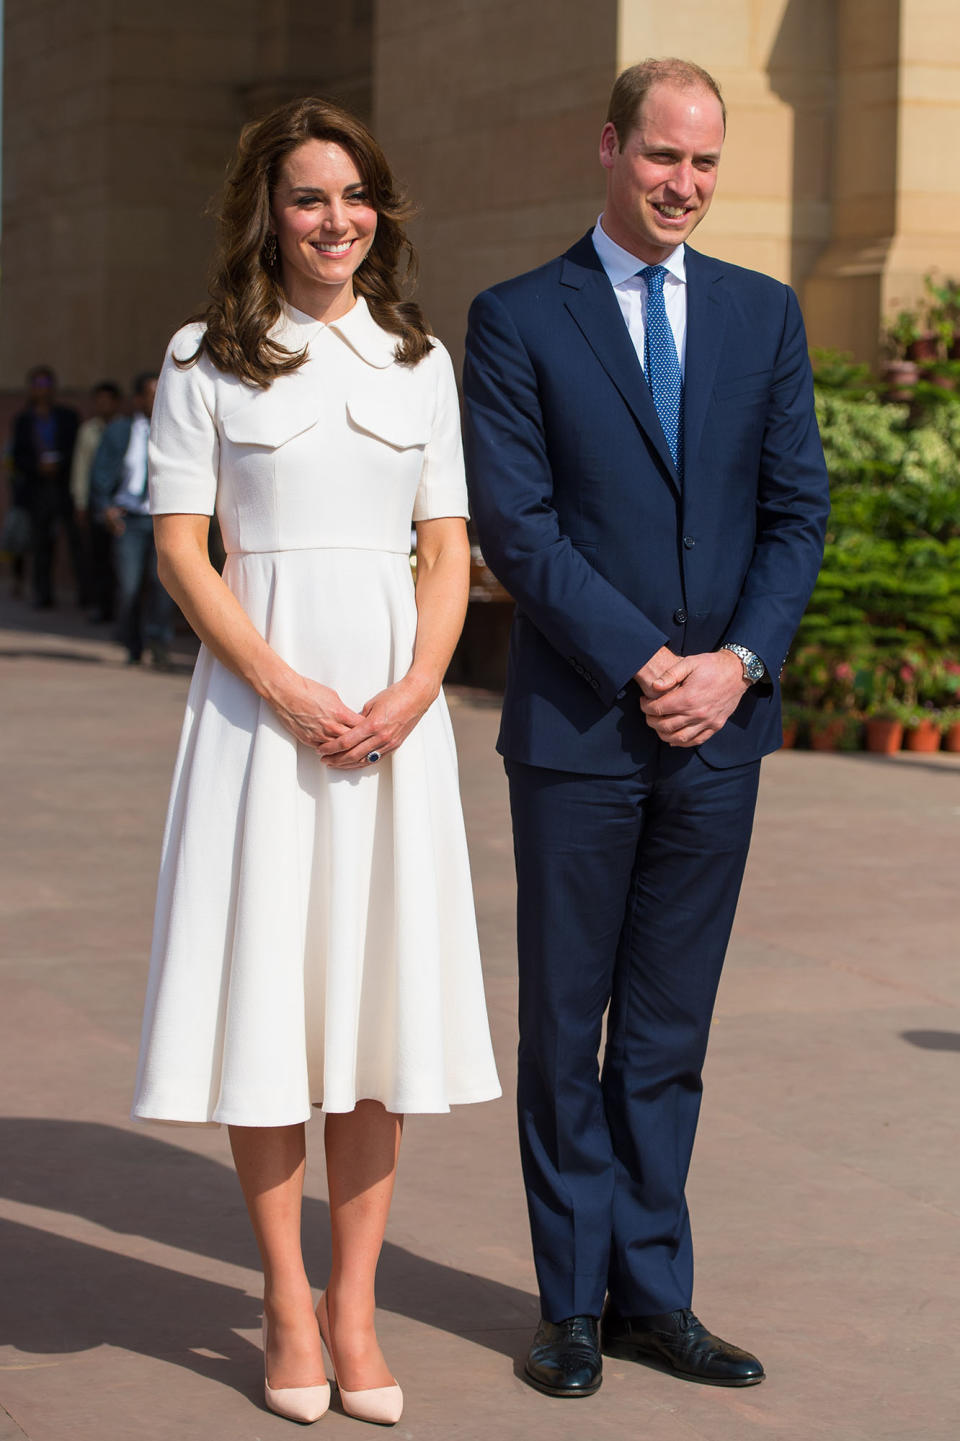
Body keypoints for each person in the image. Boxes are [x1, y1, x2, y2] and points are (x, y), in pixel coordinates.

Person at [463, 57, 830, 1398]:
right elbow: (519, 526)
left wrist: (733, 664)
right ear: (607, 149)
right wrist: (646, 662)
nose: (687, 184)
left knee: (669, 1032)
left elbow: (797, 515)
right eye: (664, 156)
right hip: (579, 733)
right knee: (571, 1027)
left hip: (720, 735)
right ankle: (569, 1304)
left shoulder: (762, 314)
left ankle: (651, 1297)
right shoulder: (516, 319)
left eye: (707, 163)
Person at [131, 97, 500, 1426]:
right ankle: (287, 1298)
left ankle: (357, 1303)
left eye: (353, 196)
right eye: (305, 197)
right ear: (266, 212)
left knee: (376, 1018)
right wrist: (285, 686)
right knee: (276, 1014)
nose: (333, 219)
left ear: (378, 210)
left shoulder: (420, 360)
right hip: (257, 724)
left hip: (393, 732)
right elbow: (183, 550)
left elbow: (446, 552)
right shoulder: (202, 357)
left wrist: (413, 691)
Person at [89, 372, 175, 667]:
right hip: (130, 520)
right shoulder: (119, 431)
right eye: (151, 394)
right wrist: (106, 509)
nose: (157, 399)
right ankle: (132, 643)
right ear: (138, 399)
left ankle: (160, 643)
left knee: (164, 583)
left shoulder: (177, 429)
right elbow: (99, 473)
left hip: (164, 518)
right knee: (129, 586)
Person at [9, 365, 83, 608]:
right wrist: (37, 466)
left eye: (47, 385)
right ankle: (43, 595)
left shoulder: (67, 416)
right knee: (41, 545)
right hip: (37, 489)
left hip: (64, 487)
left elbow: (77, 451)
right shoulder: (23, 420)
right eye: (38, 385)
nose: (43, 391)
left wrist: (59, 464)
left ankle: (85, 596)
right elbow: (17, 456)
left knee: (76, 543)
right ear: (31, 389)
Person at [71, 380, 123, 622]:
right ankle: (103, 606)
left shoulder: (128, 428)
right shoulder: (88, 431)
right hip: (99, 502)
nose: (103, 405)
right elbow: (81, 469)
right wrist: (81, 502)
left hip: (124, 504)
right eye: (98, 401)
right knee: (99, 556)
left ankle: (123, 610)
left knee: (122, 561)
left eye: (107, 401)